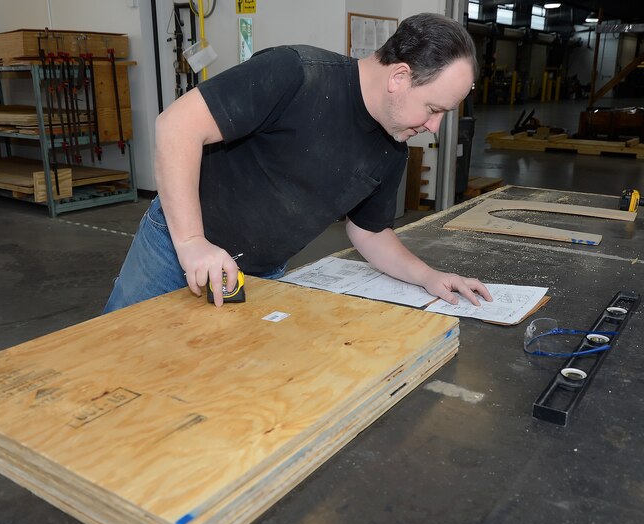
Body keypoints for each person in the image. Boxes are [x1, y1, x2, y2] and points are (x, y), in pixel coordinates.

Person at [103, 12, 492, 312]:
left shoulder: (391, 148)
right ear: (400, 77)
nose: (435, 127)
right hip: (175, 250)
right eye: (433, 109)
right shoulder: (296, 74)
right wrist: (191, 242)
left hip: (258, 273)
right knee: (114, 359)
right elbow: (176, 126)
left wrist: (429, 277)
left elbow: (369, 233)